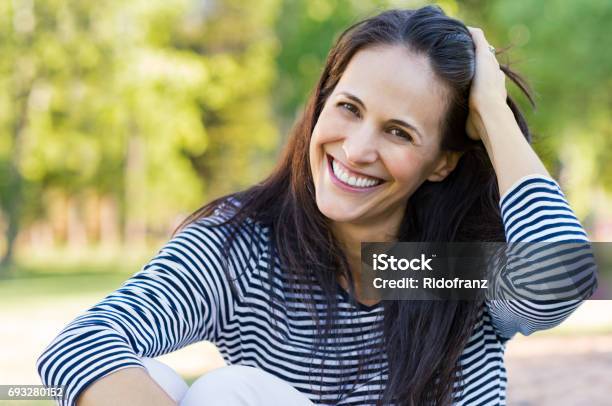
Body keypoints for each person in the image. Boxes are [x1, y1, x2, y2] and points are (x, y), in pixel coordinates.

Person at [37, 5, 597, 406]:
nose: (356, 150)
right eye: (349, 107)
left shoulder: (441, 266)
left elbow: (558, 281)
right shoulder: (246, 245)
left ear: (444, 161)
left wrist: (494, 115)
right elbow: (80, 345)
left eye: (399, 132)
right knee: (201, 390)